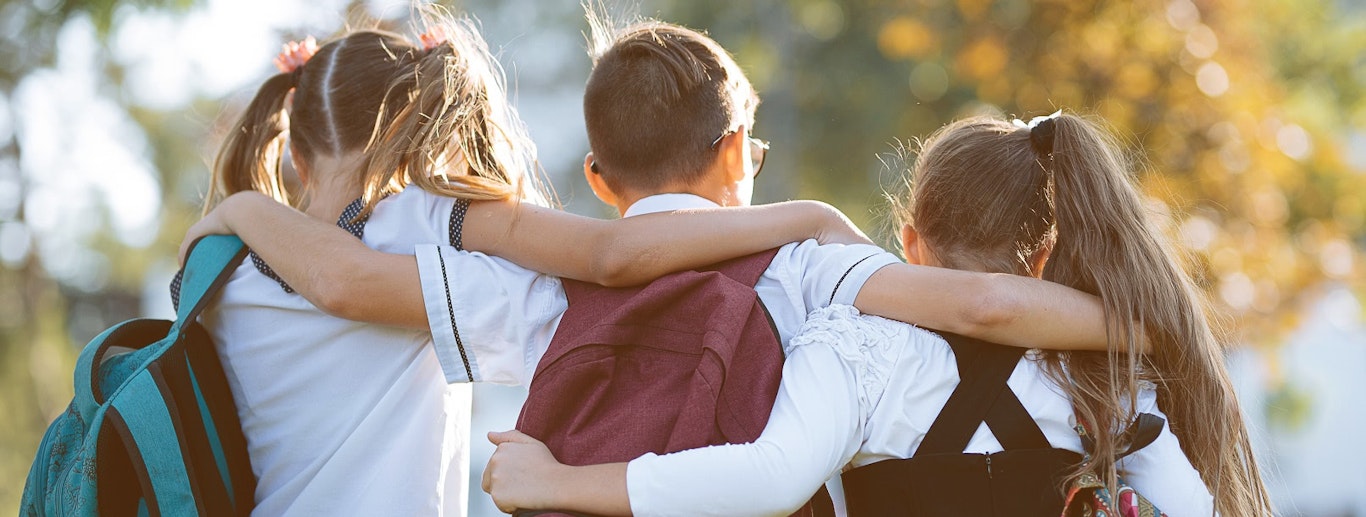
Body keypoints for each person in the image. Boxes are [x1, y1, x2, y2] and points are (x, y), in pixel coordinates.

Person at [183, 15, 1119, 510]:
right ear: (738, 146)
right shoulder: (807, 266)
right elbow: (981, 304)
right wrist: (1145, 322)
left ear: (596, 175)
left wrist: (241, 210)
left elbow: (359, 282)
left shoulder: (534, 293)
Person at [480, 113, 1276, 517]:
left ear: (909, 240)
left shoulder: (852, 347)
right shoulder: (1104, 373)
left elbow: (766, 477)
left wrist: (560, 479)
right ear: (1043, 257)